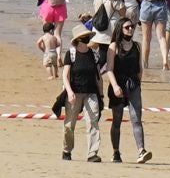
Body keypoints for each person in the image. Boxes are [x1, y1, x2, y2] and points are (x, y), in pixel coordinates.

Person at [103, 20, 152, 164]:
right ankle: (116, 152)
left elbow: (140, 68)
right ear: (120, 29)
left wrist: (138, 83)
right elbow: (109, 69)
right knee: (116, 120)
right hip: (118, 85)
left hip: (133, 85)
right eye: (127, 27)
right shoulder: (114, 47)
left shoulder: (137, 46)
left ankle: (141, 150)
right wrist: (115, 86)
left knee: (136, 118)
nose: (130, 29)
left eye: (132, 27)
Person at [61, 29, 104, 161]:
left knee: (93, 122)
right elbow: (65, 75)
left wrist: (101, 95)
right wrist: (69, 92)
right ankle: (66, 150)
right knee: (69, 124)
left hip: (91, 93)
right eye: (84, 36)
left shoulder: (93, 54)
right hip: (74, 92)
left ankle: (92, 153)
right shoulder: (71, 54)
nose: (87, 38)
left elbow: (98, 77)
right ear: (78, 39)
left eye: (87, 36)